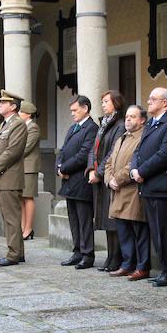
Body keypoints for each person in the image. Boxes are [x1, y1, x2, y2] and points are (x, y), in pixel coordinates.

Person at [130, 87, 167, 287]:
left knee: (163, 231)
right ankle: (164, 269)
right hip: (150, 186)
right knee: (156, 232)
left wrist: (142, 172)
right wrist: (134, 168)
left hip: (163, 186)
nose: (149, 101)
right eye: (149, 97)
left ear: (165, 103)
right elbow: (139, 149)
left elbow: (165, 154)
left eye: (153, 98)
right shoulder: (153, 123)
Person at [105, 105, 151, 281]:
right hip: (117, 191)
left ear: (142, 120)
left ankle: (142, 267)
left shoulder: (142, 138)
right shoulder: (121, 138)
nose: (128, 120)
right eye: (127, 117)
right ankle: (127, 264)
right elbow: (109, 161)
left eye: (132, 117)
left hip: (131, 191)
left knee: (139, 232)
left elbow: (135, 161)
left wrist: (118, 179)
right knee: (124, 231)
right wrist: (109, 180)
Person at [57, 95, 99, 269]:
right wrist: (58, 167)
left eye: (75, 110)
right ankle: (77, 252)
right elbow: (63, 150)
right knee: (73, 219)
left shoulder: (91, 128)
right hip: (68, 182)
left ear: (86, 109)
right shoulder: (73, 128)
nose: (72, 113)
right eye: (71, 110)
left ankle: (88, 255)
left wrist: (64, 168)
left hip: (81, 182)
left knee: (84, 220)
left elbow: (83, 155)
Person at [87, 91, 127, 272]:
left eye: (106, 101)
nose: (102, 104)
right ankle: (110, 257)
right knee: (104, 219)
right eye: (102, 101)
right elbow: (93, 150)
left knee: (112, 220)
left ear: (116, 104)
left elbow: (112, 152)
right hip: (99, 177)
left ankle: (116, 258)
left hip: (110, 177)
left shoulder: (119, 124)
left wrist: (100, 172)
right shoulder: (103, 124)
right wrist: (91, 169)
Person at [0, 90, 28, 267]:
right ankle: (17, 252)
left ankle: (13, 254)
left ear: (13, 106)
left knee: (11, 217)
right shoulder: (5, 124)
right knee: (9, 216)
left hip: (9, 177)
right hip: (3, 176)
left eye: (3, 102)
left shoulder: (17, 124)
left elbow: (12, 151)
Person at [19, 100, 40, 240]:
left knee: (28, 197)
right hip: (21, 167)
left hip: (29, 167)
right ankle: (22, 228)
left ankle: (29, 228)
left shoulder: (33, 127)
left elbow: (26, 147)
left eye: (21, 112)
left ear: (29, 114)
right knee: (21, 198)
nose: (19, 114)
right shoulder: (23, 127)